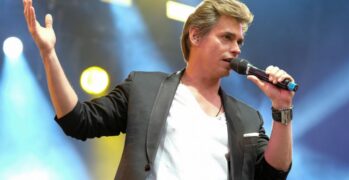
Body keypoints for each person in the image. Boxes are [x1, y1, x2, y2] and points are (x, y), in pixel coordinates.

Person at [23, 0, 295, 179]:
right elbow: (78, 120)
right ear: (195, 35)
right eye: (226, 37)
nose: (236, 48)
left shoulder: (247, 117)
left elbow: (275, 171)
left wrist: (282, 109)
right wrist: (49, 55)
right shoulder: (144, 89)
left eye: (239, 41)